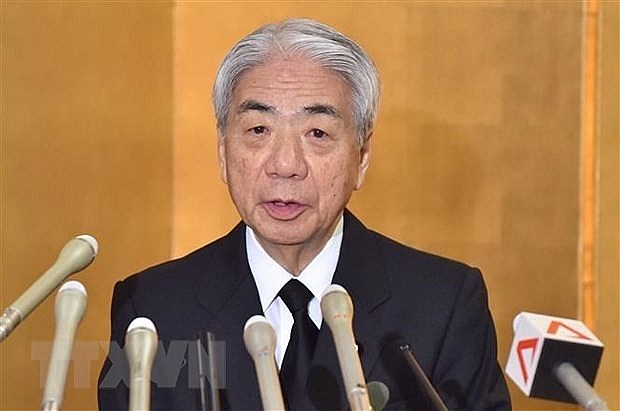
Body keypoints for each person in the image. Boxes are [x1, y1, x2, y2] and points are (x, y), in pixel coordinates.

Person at [98, 18, 511, 410]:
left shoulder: (444, 305)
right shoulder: (152, 309)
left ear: (361, 157)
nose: (285, 164)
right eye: (259, 130)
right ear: (223, 153)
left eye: (317, 134)